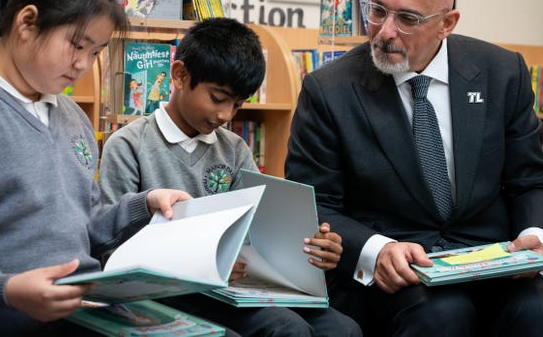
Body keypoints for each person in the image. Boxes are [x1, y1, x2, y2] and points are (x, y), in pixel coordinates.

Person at [285, 0, 543, 336]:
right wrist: (376, 249)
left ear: (447, 23)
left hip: (490, 263)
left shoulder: (501, 73)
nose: (385, 31)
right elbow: (314, 204)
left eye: (407, 19)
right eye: (378, 10)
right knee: (441, 315)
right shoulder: (329, 90)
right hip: (396, 271)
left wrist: (536, 238)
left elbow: (531, 180)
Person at [0, 0, 192, 337]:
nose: (84, 64)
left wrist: (145, 203)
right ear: (27, 22)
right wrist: (7, 290)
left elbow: (84, 224)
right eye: (76, 45)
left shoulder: (72, 116)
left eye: (96, 52)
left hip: (76, 301)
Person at [99, 17, 362, 337]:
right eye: (217, 98)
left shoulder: (234, 148)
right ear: (179, 75)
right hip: (168, 291)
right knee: (284, 329)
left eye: (237, 105)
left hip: (232, 288)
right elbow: (113, 249)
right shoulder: (128, 146)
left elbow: (260, 231)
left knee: (343, 328)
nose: (225, 116)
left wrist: (311, 249)